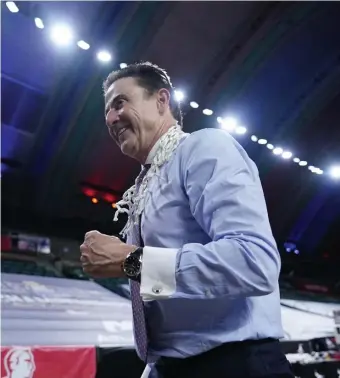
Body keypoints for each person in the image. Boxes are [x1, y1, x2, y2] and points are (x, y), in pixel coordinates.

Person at [80, 62, 294, 378]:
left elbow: (255, 262)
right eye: (107, 112)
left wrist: (133, 262)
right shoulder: (147, 183)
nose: (111, 118)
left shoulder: (203, 147)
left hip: (234, 364)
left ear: (161, 100)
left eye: (120, 103)